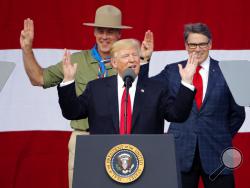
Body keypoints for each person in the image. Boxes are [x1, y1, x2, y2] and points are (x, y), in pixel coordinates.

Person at [19, 5, 153, 188]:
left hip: (121, 140)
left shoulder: (128, 60)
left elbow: (142, 95)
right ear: (94, 32)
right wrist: (27, 49)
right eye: (100, 30)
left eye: (110, 31)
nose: (104, 36)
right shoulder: (76, 60)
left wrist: (144, 61)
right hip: (84, 137)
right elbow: (38, 78)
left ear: (119, 34)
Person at [151, 23, 245, 188]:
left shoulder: (227, 71)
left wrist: (219, 133)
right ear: (186, 46)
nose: (198, 49)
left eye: (202, 44)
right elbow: (148, 89)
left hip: (217, 151)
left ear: (210, 44)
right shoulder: (172, 71)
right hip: (181, 152)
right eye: (193, 44)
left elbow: (238, 114)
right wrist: (144, 61)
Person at [57, 39, 198, 135]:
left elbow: (177, 115)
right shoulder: (96, 88)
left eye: (135, 55)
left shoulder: (156, 89)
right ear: (114, 62)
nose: (132, 59)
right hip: (105, 159)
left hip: (146, 159)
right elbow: (72, 112)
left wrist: (186, 83)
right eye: (125, 56)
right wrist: (68, 81)